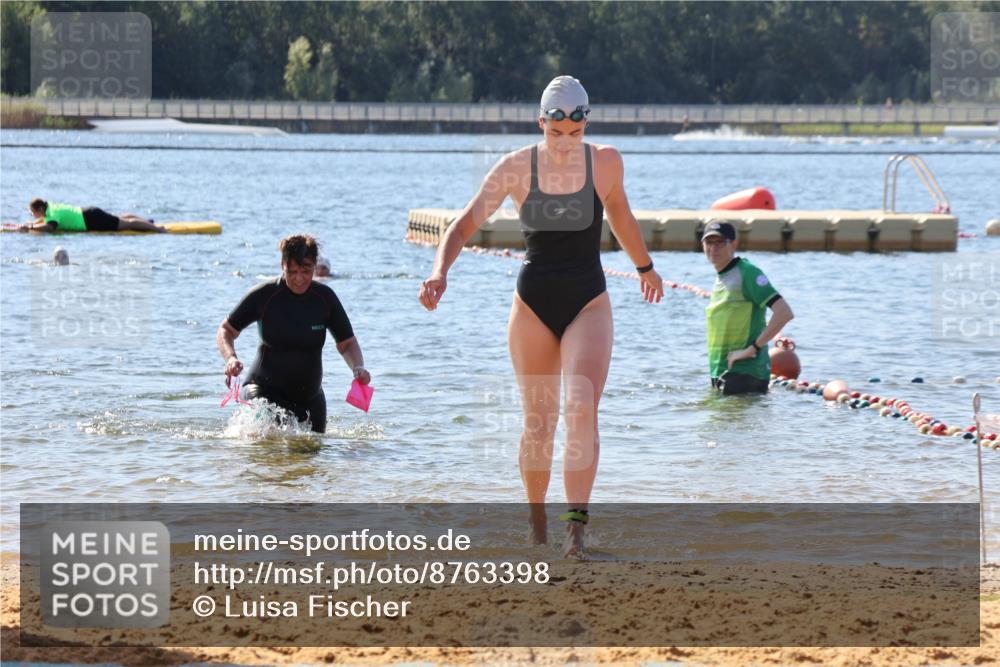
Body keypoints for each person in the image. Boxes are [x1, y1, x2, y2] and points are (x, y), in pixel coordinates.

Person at [418, 76, 663, 557]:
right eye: (557, 134)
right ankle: (536, 523)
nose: (567, 144)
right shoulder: (515, 168)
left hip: (588, 301)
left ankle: (575, 529)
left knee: (582, 406)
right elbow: (464, 223)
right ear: (541, 124)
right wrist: (439, 272)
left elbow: (621, 217)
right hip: (531, 306)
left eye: (575, 134)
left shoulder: (607, 163)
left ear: (585, 124)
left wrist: (646, 267)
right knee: (538, 422)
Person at [216, 234, 369, 433]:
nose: (299, 279)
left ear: (315, 266)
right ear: (282, 265)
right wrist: (230, 358)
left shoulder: (325, 299)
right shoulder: (264, 296)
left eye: (306, 271)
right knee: (269, 444)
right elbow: (226, 330)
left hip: (310, 398)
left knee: (311, 457)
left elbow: (347, 343)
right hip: (262, 392)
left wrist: (358, 367)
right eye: (292, 271)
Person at [702, 221, 794, 395]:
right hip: (723, 371)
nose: (713, 247)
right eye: (709, 242)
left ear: (733, 244)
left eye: (720, 242)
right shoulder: (721, 277)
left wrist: (752, 349)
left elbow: (784, 313)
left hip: (746, 374)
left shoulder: (748, 273)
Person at [20, 198, 165, 233]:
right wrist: (31, 223)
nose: (32, 215)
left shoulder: (52, 214)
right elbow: (46, 219)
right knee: (121, 218)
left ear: (39, 209)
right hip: (89, 213)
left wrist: (31, 227)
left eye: (32, 213)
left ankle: (158, 229)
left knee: (126, 224)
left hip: (91, 221)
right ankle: (147, 222)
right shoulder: (50, 206)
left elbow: (50, 226)